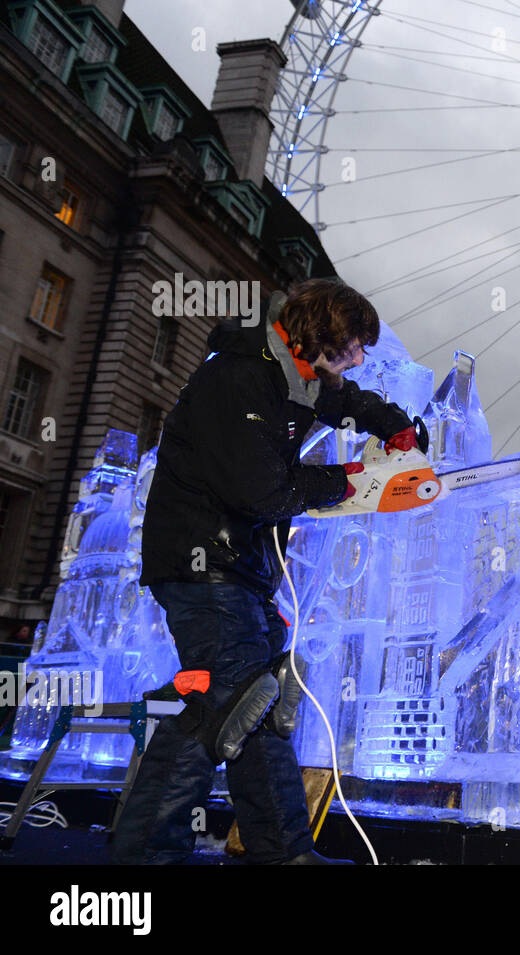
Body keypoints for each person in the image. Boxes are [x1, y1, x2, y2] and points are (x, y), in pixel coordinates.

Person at [112, 279, 417, 865]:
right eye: (354, 344)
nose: (358, 357)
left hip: (242, 568)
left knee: (263, 706)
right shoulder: (240, 376)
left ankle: (281, 851)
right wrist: (354, 482)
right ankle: (146, 853)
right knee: (228, 701)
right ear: (324, 331)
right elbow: (260, 491)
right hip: (202, 563)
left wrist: (393, 424)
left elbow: (346, 400)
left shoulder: (293, 378)